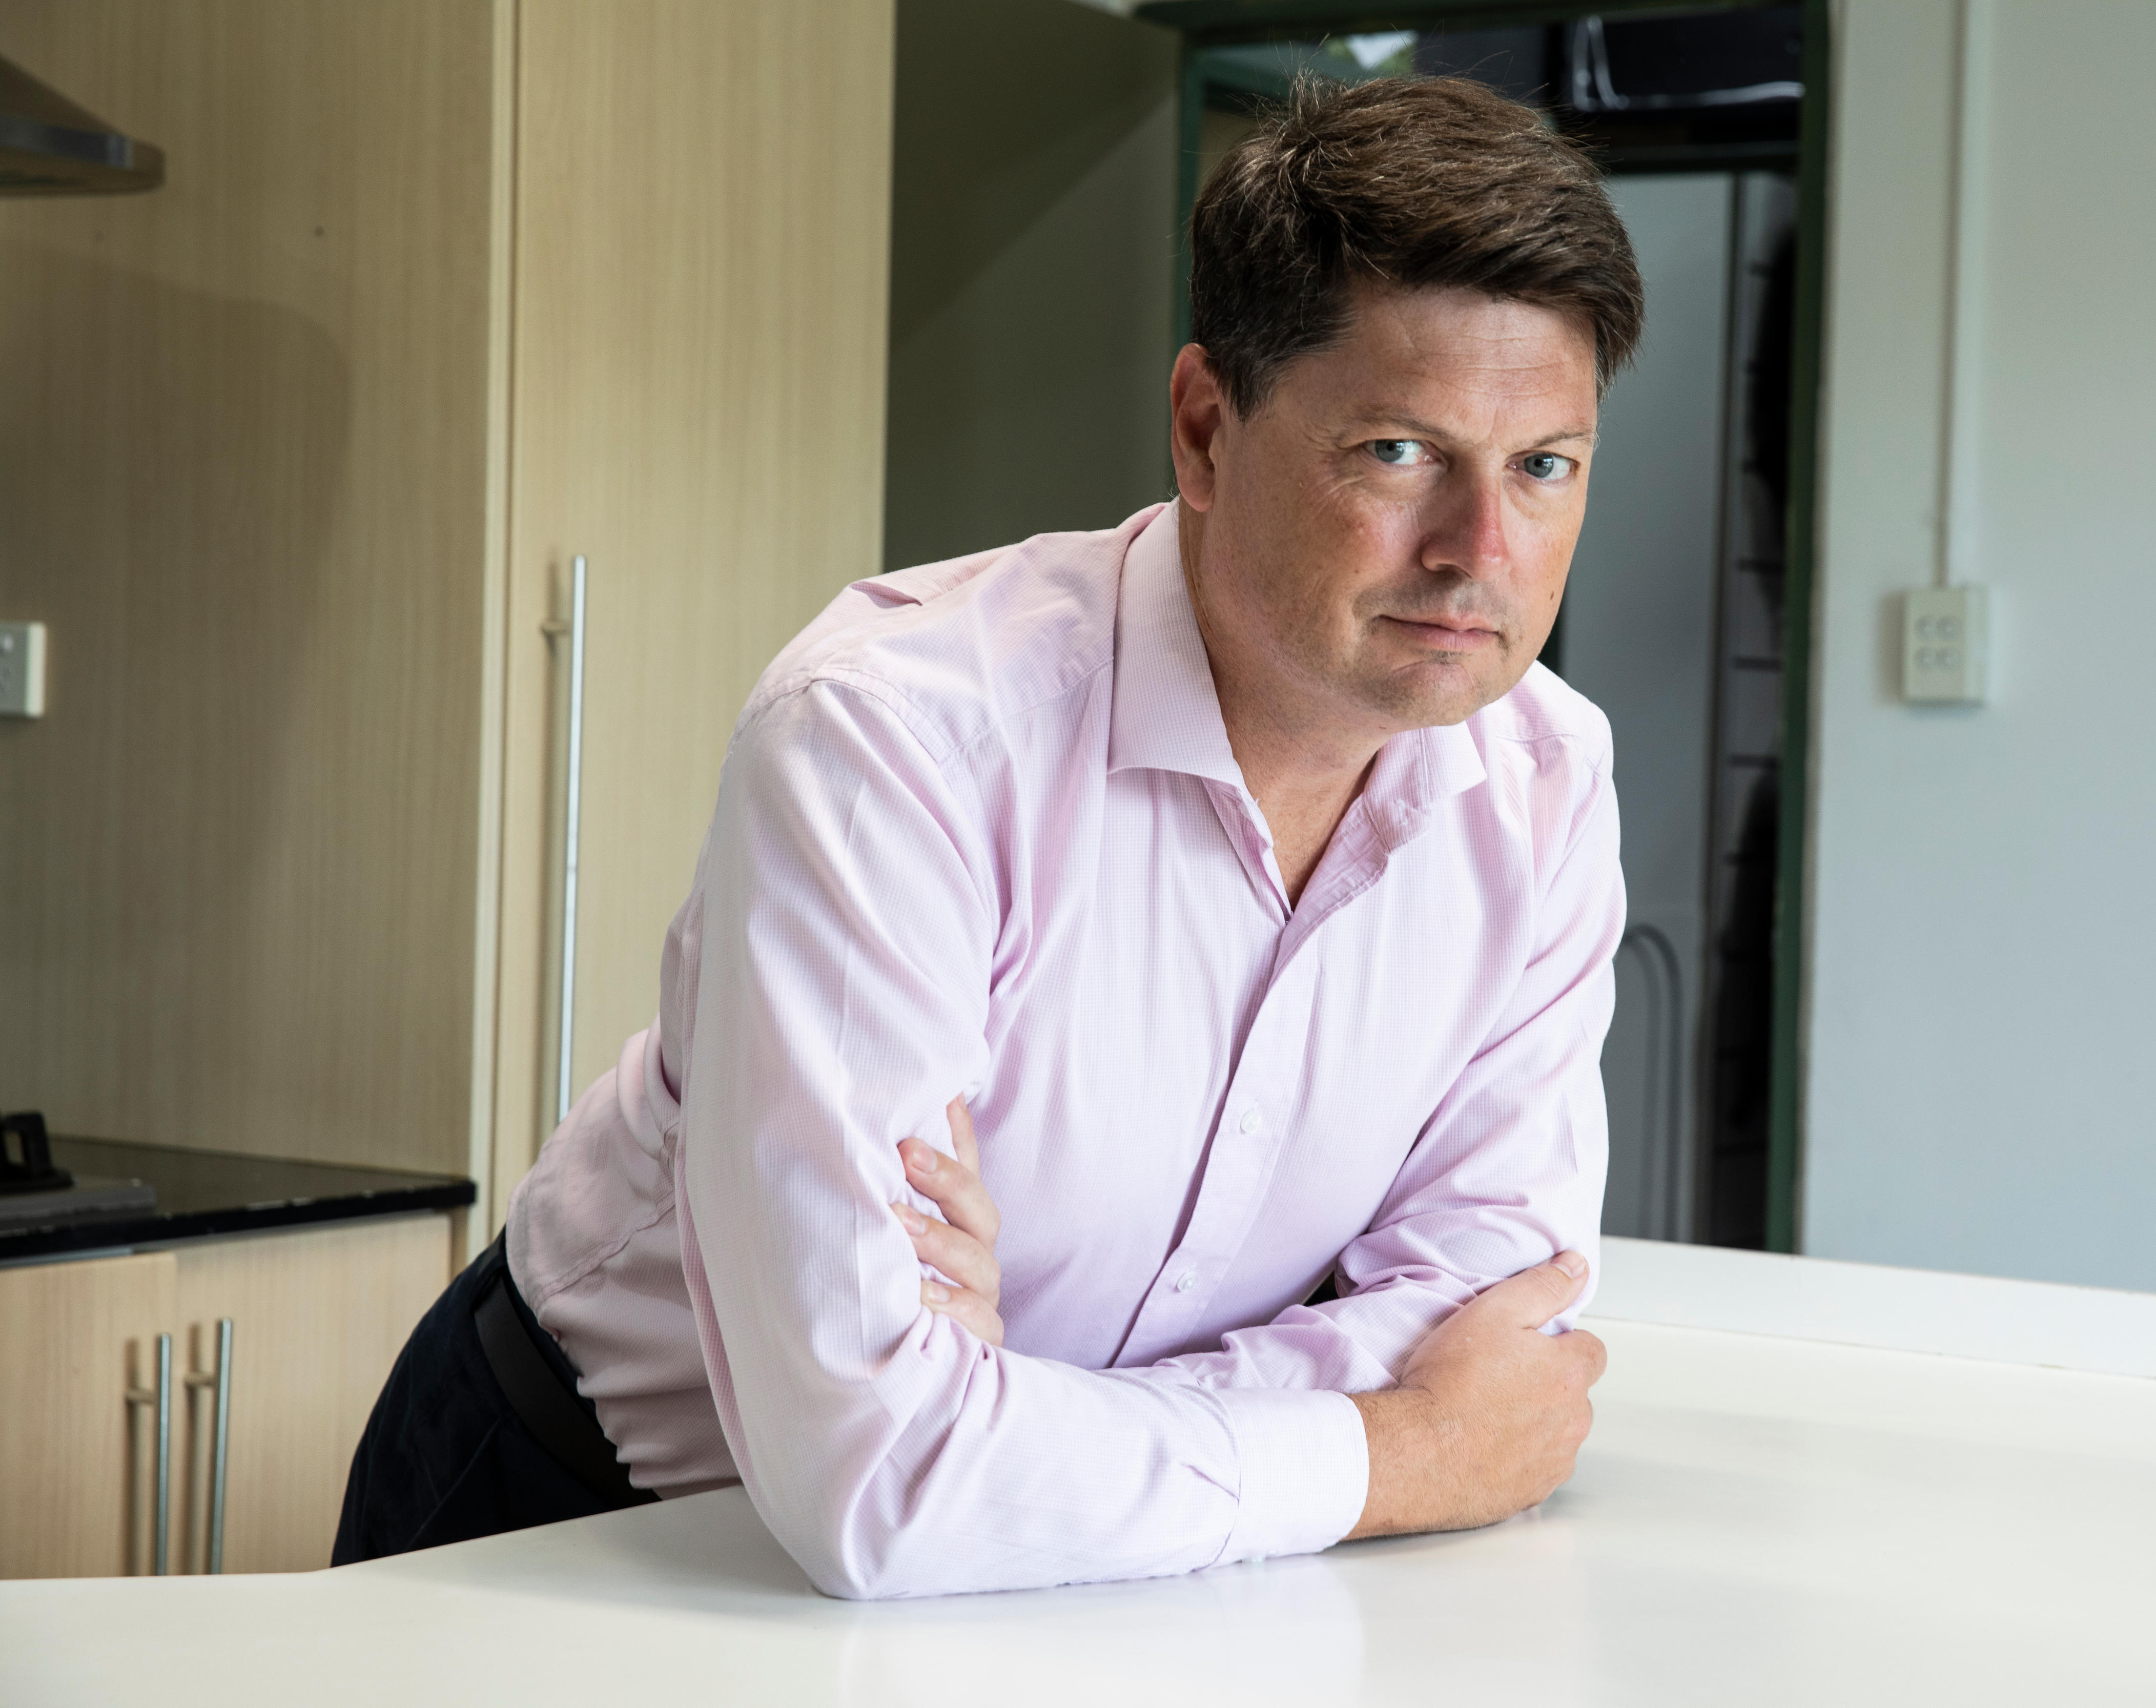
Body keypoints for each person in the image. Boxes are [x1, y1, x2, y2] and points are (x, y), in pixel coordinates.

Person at [336, 73, 1644, 1600]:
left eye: (1545, 466)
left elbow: (1488, 1308)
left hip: (1096, 1569)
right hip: (590, 1515)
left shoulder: (1546, 778)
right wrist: (1407, 1451)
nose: (1481, 552)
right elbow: (882, 1473)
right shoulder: (899, 739)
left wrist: (1027, 1420)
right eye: (1402, 454)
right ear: (1208, 429)